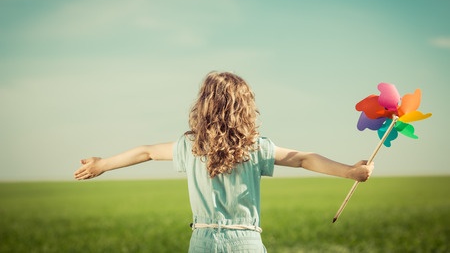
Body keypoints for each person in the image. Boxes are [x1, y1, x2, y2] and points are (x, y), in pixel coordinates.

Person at [74, 71, 374, 252]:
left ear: (203, 105)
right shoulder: (254, 147)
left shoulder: (190, 145)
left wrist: (102, 165)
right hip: (245, 242)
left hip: (203, 239)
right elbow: (303, 159)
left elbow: (146, 151)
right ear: (246, 107)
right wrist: (349, 171)